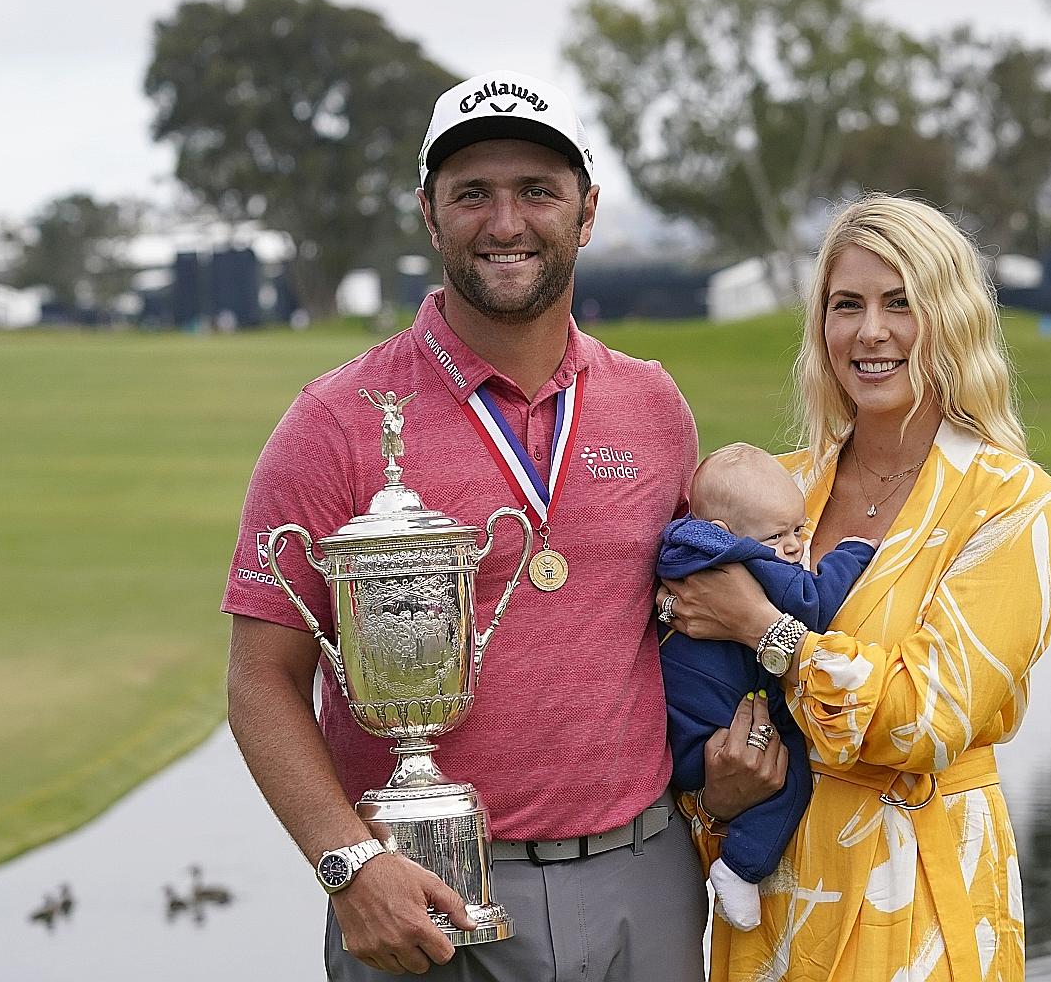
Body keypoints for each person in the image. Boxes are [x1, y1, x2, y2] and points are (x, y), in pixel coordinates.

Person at [221, 70, 717, 980]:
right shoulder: (337, 419)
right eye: (472, 194)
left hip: (646, 879)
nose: (506, 223)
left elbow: (695, 622)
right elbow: (261, 678)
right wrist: (348, 861)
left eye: (537, 191)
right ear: (428, 212)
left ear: (588, 210)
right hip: (426, 902)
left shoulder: (652, 406)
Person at [658, 195, 1051, 981]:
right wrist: (718, 791)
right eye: (847, 305)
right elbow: (684, 671)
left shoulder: (1008, 501)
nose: (870, 331)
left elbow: (924, 723)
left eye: (901, 303)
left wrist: (763, 629)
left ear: (950, 318)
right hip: (773, 904)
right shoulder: (775, 490)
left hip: (918, 902)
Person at [657, 442, 877, 931]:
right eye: (778, 534)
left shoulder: (678, 554)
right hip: (725, 736)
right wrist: (852, 553)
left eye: (799, 529)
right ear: (723, 533)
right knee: (792, 769)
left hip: (679, 735)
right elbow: (810, 606)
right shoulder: (746, 562)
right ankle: (742, 867)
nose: (796, 546)